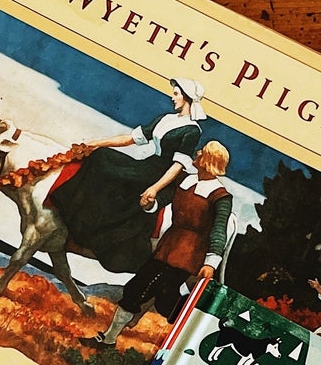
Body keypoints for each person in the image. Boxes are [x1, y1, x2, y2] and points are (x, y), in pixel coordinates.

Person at [49, 77, 206, 274]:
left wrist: (155, 188)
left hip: (160, 175)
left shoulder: (192, 131)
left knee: (114, 177)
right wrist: (98, 143)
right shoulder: (166, 119)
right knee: (101, 157)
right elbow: (130, 139)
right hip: (147, 165)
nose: (172, 97)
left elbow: (177, 166)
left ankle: (101, 233)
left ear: (187, 97)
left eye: (176, 94)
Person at [89, 140, 233, 346]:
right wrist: (150, 204)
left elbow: (219, 229)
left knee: (162, 297)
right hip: (168, 245)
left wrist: (211, 263)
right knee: (137, 289)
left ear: (208, 160)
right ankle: (109, 338)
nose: (198, 151)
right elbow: (163, 200)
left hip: (189, 254)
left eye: (202, 152)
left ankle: (185, 324)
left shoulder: (221, 196)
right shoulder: (185, 181)